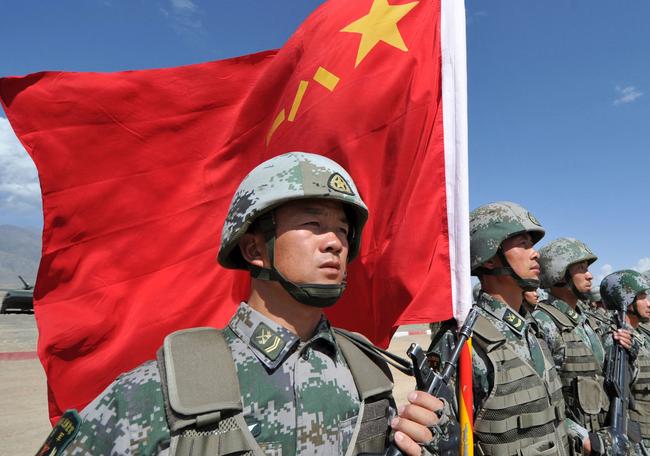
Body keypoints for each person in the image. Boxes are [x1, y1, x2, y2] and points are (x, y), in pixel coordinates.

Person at [38, 152, 449, 456]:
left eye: (342, 229)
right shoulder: (164, 390)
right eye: (314, 224)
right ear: (254, 248)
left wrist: (412, 442)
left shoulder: (367, 372)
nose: (335, 242)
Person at [429, 201, 572, 455]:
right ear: (490, 257)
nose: (535, 253)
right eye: (523, 244)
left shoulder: (533, 330)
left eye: (533, 244)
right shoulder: (463, 340)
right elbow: (442, 443)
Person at [533, 238, 633, 454]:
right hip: (577, 445)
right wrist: (581, 436)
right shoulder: (544, 322)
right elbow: (541, 399)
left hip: (604, 436)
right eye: (581, 268)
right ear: (559, 273)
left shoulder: (590, 321)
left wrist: (625, 350)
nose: (590, 275)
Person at [600, 270, 650, 455]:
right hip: (637, 442)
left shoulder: (639, 336)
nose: (649, 303)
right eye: (642, 297)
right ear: (626, 301)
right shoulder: (617, 340)